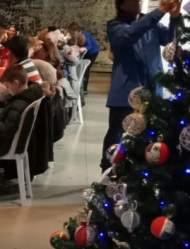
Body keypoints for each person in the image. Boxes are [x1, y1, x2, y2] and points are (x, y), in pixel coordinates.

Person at [102, 0, 181, 170]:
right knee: (118, 140)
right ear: (122, 4)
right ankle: (108, 176)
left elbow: (169, 39)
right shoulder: (115, 26)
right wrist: (160, 11)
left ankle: (140, 179)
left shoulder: (149, 23)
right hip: (126, 95)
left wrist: (175, 18)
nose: (139, 1)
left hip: (152, 91)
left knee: (148, 139)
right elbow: (129, 35)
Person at [0, 64, 43, 158]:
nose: (7, 90)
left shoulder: (19, 104)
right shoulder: (30, 94)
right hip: (16, 142)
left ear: (16, 83)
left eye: (7, 86)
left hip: (4, 146)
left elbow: (6, 131)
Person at [68, 22, 99, 94]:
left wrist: (84, 48)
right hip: (83, 53)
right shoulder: (72, 37)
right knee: (79, 67)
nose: (71, 35)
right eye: (70, 32)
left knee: (86, 69)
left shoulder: (85, 35)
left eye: (73, 33)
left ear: (79, 31)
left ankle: (84, 89)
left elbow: (90, 46)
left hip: (92, 52)